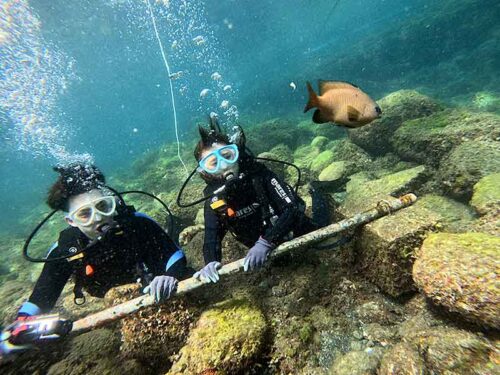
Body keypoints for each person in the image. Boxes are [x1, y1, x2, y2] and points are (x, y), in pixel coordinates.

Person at [1, 163, 188, 355]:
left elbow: (174, 254)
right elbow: (41, 297)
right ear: (71, 221)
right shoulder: (65, 250)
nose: (98, 217)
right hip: (105, 293)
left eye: (103, 206)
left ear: (112, 203)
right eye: (84, 213)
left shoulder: (137, 223)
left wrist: (170, 275)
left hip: (152, 282)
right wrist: (21, 323)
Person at [192, 117, 330, 283]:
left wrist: (266, 242)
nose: (223, 166)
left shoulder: (259, 175)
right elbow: (212, 236)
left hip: (290, 228)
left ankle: (317, 190)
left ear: (237, 153)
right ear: (205, 172)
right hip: (264, 245)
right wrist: (211, 262)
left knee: (322, 231)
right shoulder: (214, 199)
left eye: (227, 156)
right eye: (213, 163)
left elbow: (292, 209)